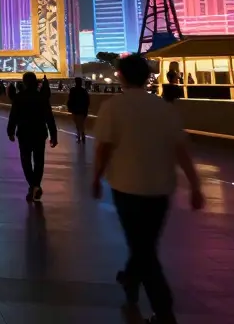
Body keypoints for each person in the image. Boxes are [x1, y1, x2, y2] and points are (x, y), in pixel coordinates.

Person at [93, 54, 204, 323]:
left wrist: (96, 178)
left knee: (142, 247)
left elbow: (105, 147)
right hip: (160, 190)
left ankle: (164, 309)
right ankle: (131, 279)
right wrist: (195, 186)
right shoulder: (164, 108)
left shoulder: (112, 108)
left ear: (120, 76)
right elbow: (181, 150)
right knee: (144, 243)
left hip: (126, 187)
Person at [7, 72, 58, 202]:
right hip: (39, 133)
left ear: (24, 82)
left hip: (24, 133)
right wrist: (54, 135)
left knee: (25, 160)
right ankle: (36, 184)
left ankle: (32, 185)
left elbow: (13, 116)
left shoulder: (19, 97)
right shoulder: (42, 97)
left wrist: (10, 131)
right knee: (39, 161)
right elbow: (49, 117)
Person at [67, 76, 91, 142]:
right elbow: (87, 101)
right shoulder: (84, 91)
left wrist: (69, 108)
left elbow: (70, 100)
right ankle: (82, 134)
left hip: (75, 110)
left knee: (77, 124)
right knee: (81, 123)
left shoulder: (72, 90)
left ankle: (78, 135)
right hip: (82, 110)